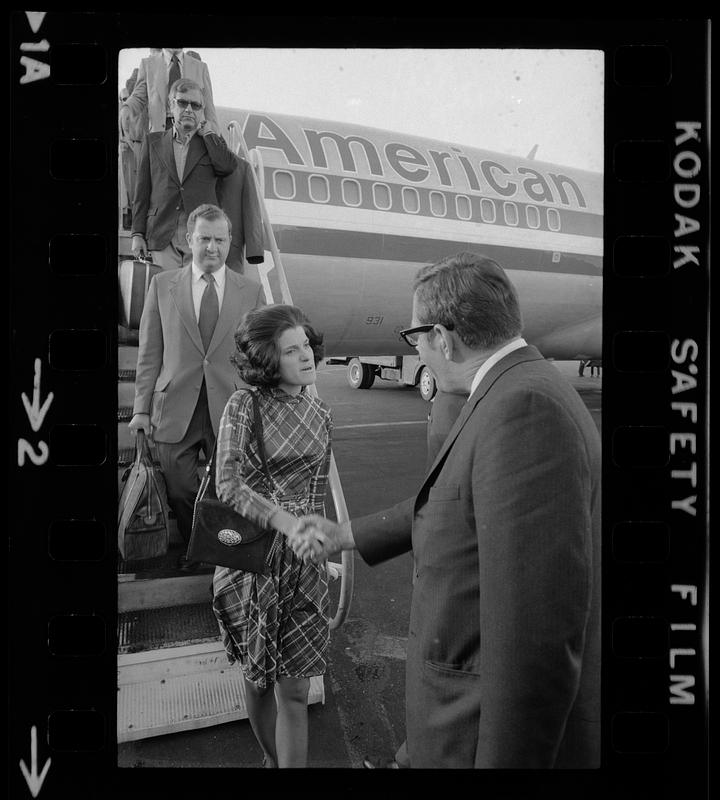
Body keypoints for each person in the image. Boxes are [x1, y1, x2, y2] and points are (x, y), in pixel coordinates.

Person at [292, 251, 601, 769]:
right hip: (454, 723)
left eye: (415, 338)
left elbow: (535, 644)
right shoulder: (508, 391)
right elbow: (452, 507)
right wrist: (346, 533)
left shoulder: (523, 411)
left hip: (471, 730)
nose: (418, 351)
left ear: (443, 338)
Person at [212, 304, 333, 768]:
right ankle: (271, 758)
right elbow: (229, 484)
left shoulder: (322, 413)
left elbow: (318, 497)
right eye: (291, 350)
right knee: (258, 680)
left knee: (297, 691)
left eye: (306, 345)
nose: (306, 357)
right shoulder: (244, 405)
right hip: (252, 562)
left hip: (304, 567)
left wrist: (322, 547)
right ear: (267, 359)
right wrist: (288, 524)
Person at [128, 204, 265, 571]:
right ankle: (197, 545)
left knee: (230, 486)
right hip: (175, 405)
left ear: (230, 241)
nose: (212, 247)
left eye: (220, 240)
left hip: (231, 406)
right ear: (189, 240)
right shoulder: (161, 286)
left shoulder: (250, 292)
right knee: (180, 485)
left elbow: (259, 355)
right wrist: (141, 408)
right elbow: (149, 352)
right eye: (204, 238)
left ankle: (219, 554)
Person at [363, 388, 468, 770]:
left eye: (417, 336)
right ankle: (413, 756)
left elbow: (447, 496)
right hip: (437, 550)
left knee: (444, 671)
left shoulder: (467, 398)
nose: (415, 349)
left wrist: (350, 535)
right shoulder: (450, 393)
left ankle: (415, 759)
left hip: (453, 564)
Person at [131, 78, 237, 270]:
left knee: (196, 294)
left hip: (200, 235)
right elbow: (142, 192)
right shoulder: (153, 142)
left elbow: (227, 167)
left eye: (195, 105)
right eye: (182, 102)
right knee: (166, 293)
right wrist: (137, 234)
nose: (189, 109)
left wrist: (208, 134)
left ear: (201, 111)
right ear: (171, 107)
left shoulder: (211, 143)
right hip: (162, 233)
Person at [122, 47, 219, 134]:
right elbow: (138, 97)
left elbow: (209, 108)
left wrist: (215, 137)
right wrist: (126, 108)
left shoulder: (201, 67)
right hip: (160, 132)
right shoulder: (147, 64)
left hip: (193, 132)